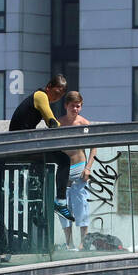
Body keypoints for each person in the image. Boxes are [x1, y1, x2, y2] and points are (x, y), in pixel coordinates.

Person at [9, 74, 74, 222]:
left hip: (20, 143)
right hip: (20, 144)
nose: (57, 97)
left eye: (61, 95)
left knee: (41, 165)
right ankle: (60, 203)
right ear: (48, 87)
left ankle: (37, 208)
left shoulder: (41, 98)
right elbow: (52, 122)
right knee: (64, 160)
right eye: (56, 93)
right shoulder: (40, 96)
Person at [56, 91, 97, 250]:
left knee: (81, 207)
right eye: (72, 106)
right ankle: (69, 242)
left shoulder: (83, 123)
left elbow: (94, 146)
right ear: (66, 105)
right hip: (64, 169)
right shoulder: (59, 123)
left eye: (78, 106)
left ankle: (83, 242)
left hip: (80, 168)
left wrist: (88, 168)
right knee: (63, 206)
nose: (75, 109)